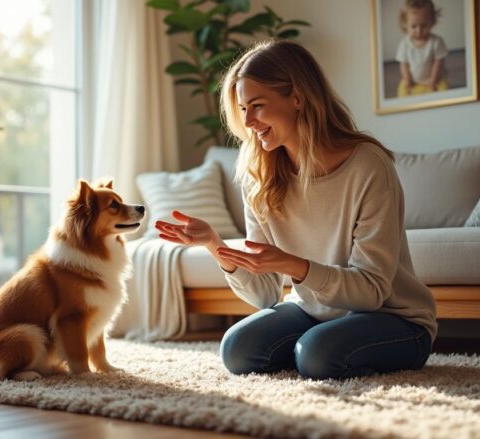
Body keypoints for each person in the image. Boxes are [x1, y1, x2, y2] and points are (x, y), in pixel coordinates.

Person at [155, 40, 437, 380]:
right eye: (243, 109)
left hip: (394, 317)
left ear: (298, 98)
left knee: (317, 356)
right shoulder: (259, 173)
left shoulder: (367, 166)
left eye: (257, 106)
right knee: (237, 349)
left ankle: (320, 348)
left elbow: (371, 291)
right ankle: (316, 346)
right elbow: (265, 294)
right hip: (313, 313)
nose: (249, 121)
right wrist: (216, 246)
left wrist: (294, 266)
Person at [395, 0, 448, 96]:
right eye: (413, 26)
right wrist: (407, 78)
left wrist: (433, 79)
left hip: (434, 79)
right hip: (413, 80)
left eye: (424, 26)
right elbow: (403, 64)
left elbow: (438, 62)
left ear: (432, 22)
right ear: (405, 24)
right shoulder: (404, 44)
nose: (419, 31)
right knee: (402, 92)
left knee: (444, 90)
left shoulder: (436, 42)